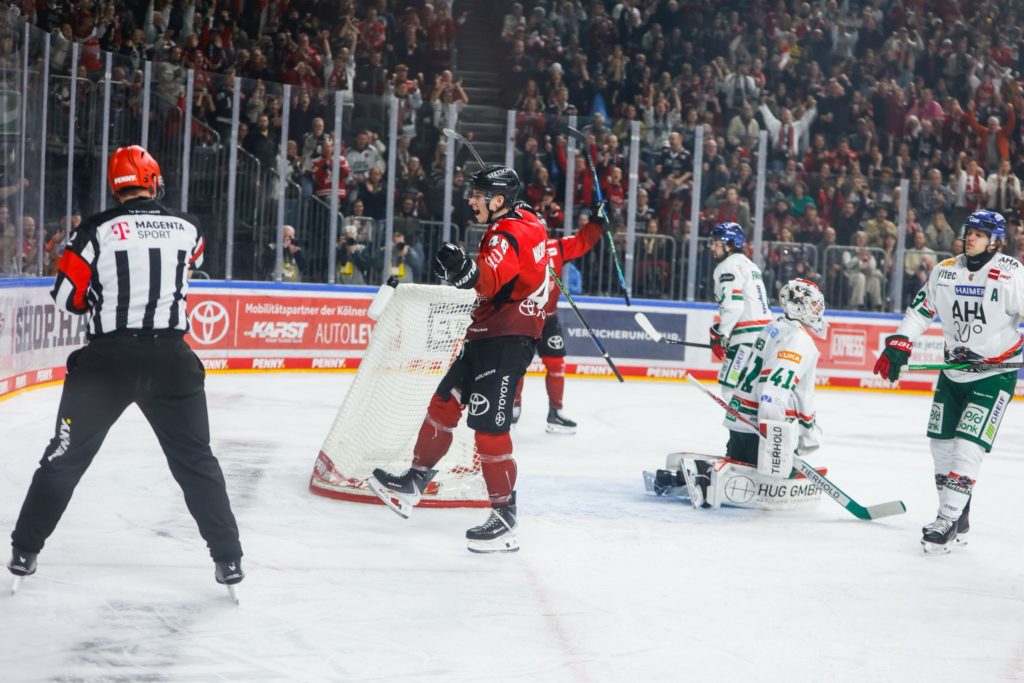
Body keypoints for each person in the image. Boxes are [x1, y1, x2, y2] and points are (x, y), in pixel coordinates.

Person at [6, 145, 244, 597]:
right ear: (152, 181)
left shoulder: (95, 230)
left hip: (107, 364)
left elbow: (67, 298)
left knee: (63, 458)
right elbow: (189, 265)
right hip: (171, 361)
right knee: (197, 462)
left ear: (115, 187)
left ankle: (24, 550)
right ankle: (228, 558)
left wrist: (99, 295)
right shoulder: (188, 227)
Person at [368, 165, 549, 553]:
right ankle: (414, 481)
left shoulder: (507, 232)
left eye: (478, 194)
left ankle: (505, 517)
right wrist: (463, 272)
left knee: (489, 428)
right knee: (444, 403)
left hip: (507, 339)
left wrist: (464, 269)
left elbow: (488, 280)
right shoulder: (527, 220)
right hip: (487, 333)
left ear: (497, 200)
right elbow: (511, 256)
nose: (471, 200)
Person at [873, 210, 1023, 554]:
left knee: (968, 446)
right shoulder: (945, 271)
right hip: (953, 372)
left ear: (995, 241)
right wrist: (901, 342)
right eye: (969, 232)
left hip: (993, 374)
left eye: (979, 234)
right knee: (940, 445)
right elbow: (921, 310)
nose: (970, 238)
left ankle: (947, 517)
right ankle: (958, 512)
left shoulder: (1011, 273)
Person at [511, 199, 605, 434]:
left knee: (556, 364)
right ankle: (512, 406)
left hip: (548, 319)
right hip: (523, 317)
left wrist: (596, 221)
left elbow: (582, 241)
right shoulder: (518, 251)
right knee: (516, 365)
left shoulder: (556, 247)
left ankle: (556, 412)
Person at [709, 222, 771, 402]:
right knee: (752, 390)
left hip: (746, 338)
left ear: (730, 244)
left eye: (716, 243)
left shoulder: (727, 266)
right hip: (765, 337)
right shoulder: (751, 265)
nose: (712, 248)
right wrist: (725, 330)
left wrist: (721, 334)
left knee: (730, 389)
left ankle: (741, 422)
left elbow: (734, 306)